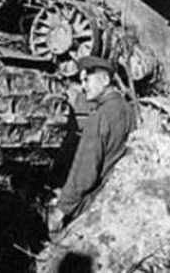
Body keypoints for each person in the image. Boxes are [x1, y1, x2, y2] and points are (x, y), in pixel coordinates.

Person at [49, 55, 136, 233]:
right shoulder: (127, 109)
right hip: (119, 196)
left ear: (105, 80)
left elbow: (85, 172)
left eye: (87, 80)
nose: (83, 87)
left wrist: (61, 210)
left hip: (95, 203)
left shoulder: (99, 117)